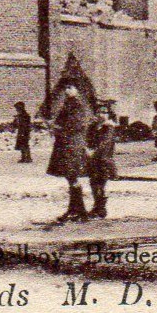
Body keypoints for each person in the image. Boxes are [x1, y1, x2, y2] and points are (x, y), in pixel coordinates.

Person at [48, 79, 92, 222]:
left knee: (72, 176)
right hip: (65, 143)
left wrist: (58, 128)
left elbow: (77, 125)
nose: (67, 91)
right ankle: (74, 209)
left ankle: (81, 212)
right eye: (66, 88)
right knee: (70, 177)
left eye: (70, 87)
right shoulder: (69, 104)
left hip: (73, 145)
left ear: (77, 90)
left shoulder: (79, 106)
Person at [86, 100, 120, 219]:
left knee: (101, 184)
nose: (102, 114)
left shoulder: (109, 128)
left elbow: (105, 144)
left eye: (105, 112)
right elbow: (88, 140)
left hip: (104, 159)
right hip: (94, 159)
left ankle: (101, 208)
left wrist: (94, 152)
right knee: (93, 183)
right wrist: (88, 149)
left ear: (108, 115)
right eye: (99, 112)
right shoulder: (93, 127)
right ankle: (97, 206)